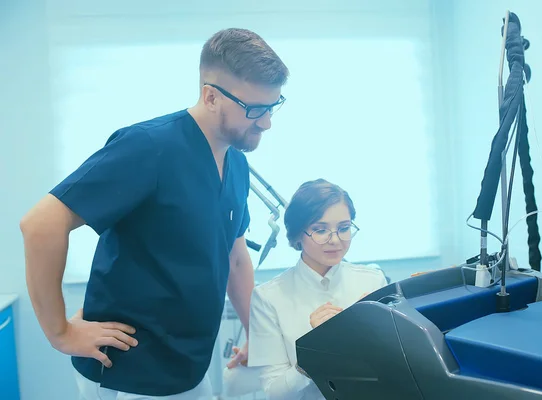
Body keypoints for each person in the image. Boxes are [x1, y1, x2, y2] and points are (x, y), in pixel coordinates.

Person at [19, 28, 289, 399]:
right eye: (255, 110)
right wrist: (59, 333)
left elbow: (235, 257)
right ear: (211, 96)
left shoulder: (236, 163)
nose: (267, 122)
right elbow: (40, 224)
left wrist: (257, 337)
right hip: (130, 369)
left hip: (185, 364)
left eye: (273, 107)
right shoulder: (149, 147)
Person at [243, 179, 389, 400]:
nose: (335, 240)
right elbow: (275, 393)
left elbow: (391, 367)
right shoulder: (268, 298)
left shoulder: (372, 282)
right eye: (320, 230)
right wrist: (314, 350)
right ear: (297, 235)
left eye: (344, 228)